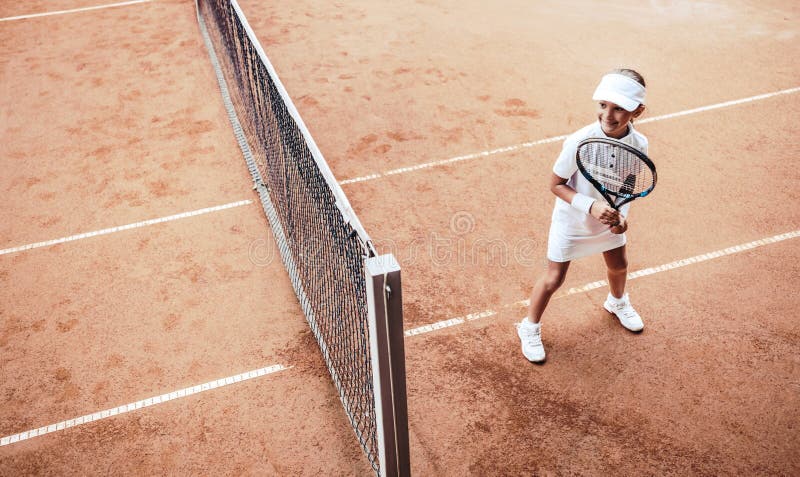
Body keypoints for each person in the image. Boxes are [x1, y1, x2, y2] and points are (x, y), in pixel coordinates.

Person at [517, 69, 649, 363]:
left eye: (619, 108)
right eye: (603, 105)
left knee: (619, 265)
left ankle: (616, 302)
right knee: (553, 279)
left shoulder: (640, 146)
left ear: (638, 110)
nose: (608, 115)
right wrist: (591, 206)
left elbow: (627, 187)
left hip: (608, 222)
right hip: (572, 221)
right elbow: (556, 184)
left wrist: (622, 218)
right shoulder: (579, 140)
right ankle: (529, 327)